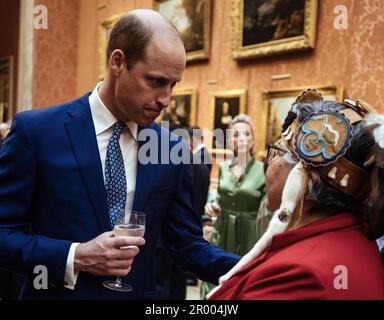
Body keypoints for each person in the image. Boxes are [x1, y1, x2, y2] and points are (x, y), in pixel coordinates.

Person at [0, 9, 239, 300]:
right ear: (118, 62)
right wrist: (75, 256)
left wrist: (259, 269)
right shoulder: (37, 133)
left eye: (173, 85)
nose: (166, 99)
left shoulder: (171, 149)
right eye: (156, 81)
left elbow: (186, 245)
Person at [209, 89, 384, 300]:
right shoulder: (357, 240)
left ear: (305, 181)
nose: (270, 162)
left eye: (277, 152)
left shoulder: (298, 274)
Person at [201, 114, 267, 297]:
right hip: (222, 232)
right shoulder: (222, 168)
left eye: (246, 134)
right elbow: (221, 200)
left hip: (250, 235)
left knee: (245, 283)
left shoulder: (263, 170)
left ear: (253, 139)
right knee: (215, 280)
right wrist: (212, 205)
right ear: (231, 140)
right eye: (236, 135)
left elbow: (268, 210)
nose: (242, 139)